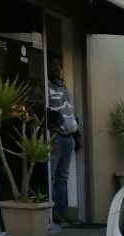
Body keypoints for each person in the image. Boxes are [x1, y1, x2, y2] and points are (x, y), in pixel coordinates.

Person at [47, 55, 81, 224]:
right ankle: (53, 214)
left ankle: (63, 211)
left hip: (68, 137)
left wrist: (77, 135)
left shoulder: (64, 86)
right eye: (54, 65)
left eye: (59, 65)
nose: (57, 68)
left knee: (63, 177)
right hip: (55, 136)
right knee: (52, 176)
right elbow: (43, 108)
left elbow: (70, 111)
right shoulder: (47, 86)